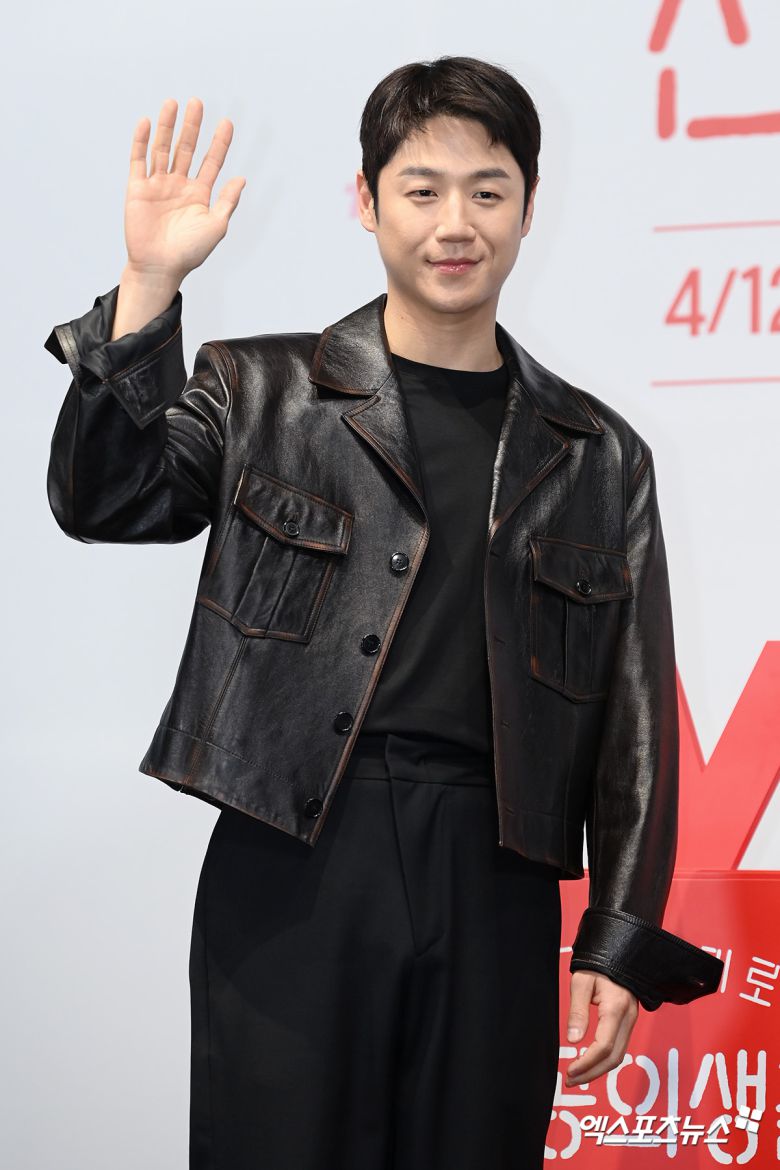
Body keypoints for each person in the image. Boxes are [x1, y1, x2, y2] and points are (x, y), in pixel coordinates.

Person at [44, 56, 724, 1170]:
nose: (456, 223)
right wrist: (146, 288)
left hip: (496, 876)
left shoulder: (601, 456)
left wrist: (617, 937)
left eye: (487, 191)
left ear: (528, 208)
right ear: (367, 201)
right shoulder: (257, 390)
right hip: (294, 859)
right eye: (422, 189)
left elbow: (633, 726)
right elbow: (104, 501)